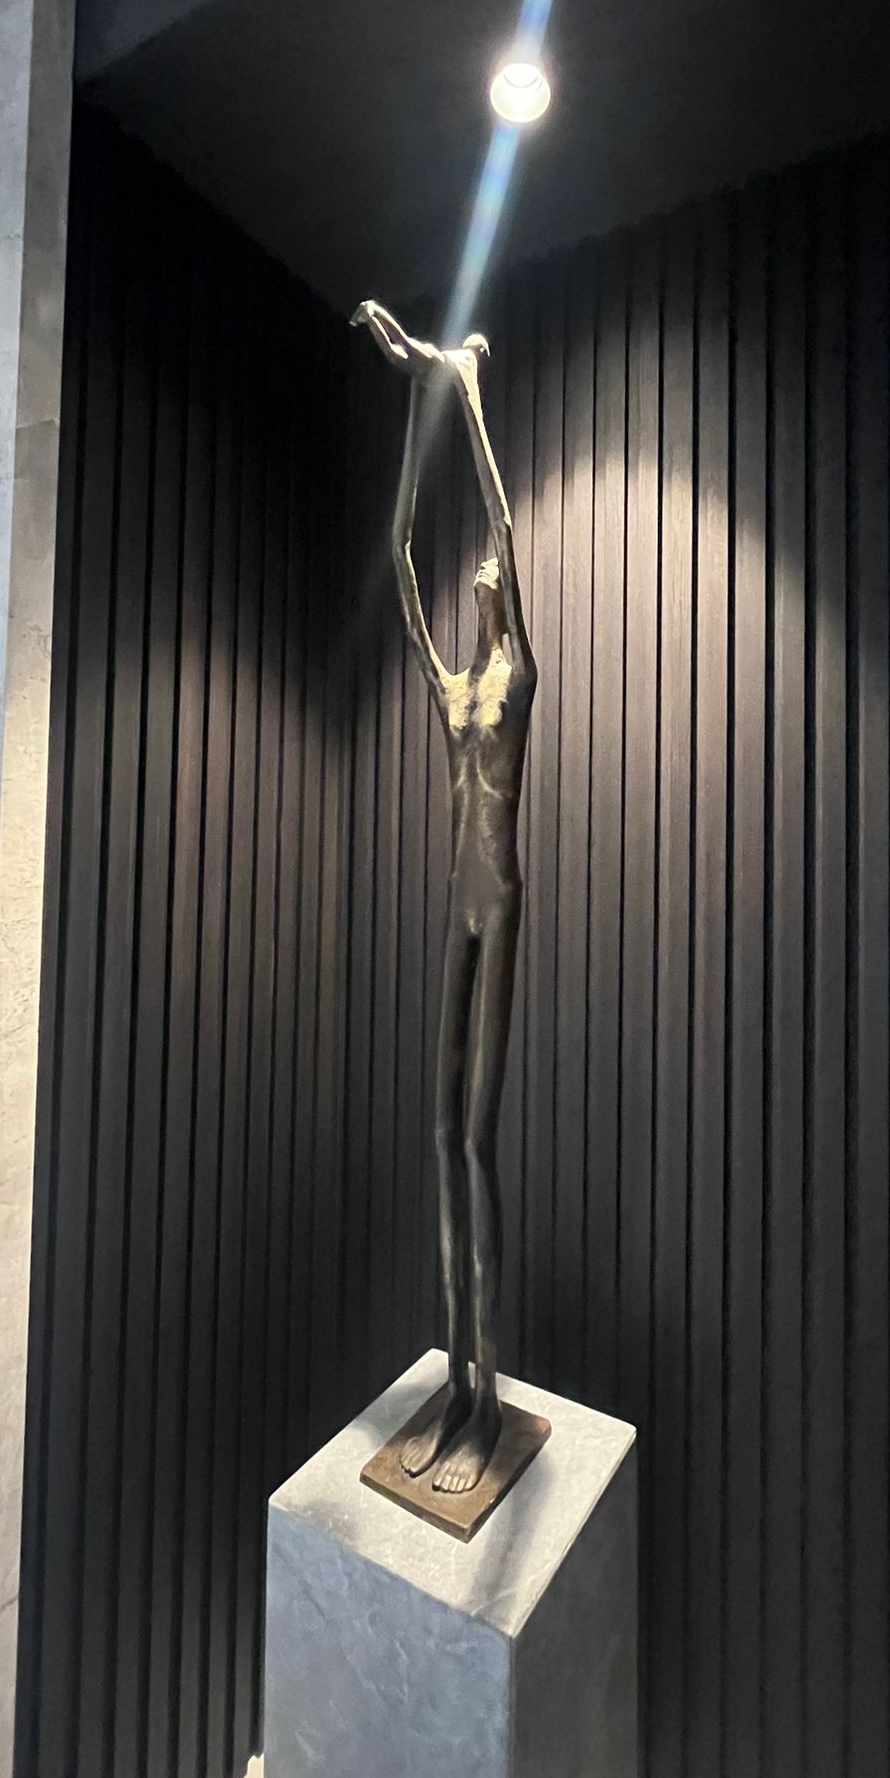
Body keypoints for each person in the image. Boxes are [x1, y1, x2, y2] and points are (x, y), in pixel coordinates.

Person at [352, 299, 537, 1494]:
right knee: (434, 1132)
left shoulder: (518, 672)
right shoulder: (452, 683)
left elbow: (502, 521)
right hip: (451, 905)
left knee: (476, 1137)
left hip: (499, 902)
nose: (482, 574)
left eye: (495, 576)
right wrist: (415, 393)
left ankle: (491, 1393)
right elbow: (402, 555)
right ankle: (457, 1384)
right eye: (477, 576)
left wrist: (463, 386)